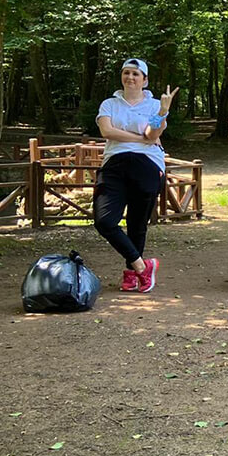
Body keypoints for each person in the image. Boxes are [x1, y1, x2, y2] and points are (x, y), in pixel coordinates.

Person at [94, 58, 178, 293]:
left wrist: (163, 111)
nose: (130, 77)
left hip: (147, 164)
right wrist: (140, 138)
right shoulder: (109, 103)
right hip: (114, 164)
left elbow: (153, 133)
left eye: (136, 74)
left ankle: (132, 274)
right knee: (104, 221)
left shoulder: (153, 106)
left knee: (137, 224)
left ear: (145, 80)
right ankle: (142, 266)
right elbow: (106, 131)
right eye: (126, 73)